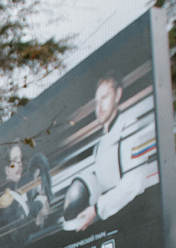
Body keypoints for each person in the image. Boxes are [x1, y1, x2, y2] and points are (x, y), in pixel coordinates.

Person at [64, 72, 155, 232]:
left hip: (135, 220)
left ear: (118, 94)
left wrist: (98, 208)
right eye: (97, 101)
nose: (99, 108)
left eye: (105, 98)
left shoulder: (130, 127)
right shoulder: (100, 145)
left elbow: (134, 182)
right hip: (112, 227)